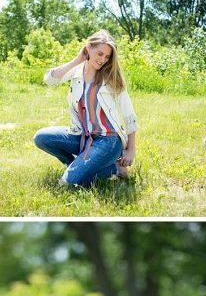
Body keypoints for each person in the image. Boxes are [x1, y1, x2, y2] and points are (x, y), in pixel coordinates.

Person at [33, 30, 138, 186]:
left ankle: (115, 168)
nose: (103, 60)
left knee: (68, 184)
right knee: (41, 137)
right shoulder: (77, 70)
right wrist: (77, 60)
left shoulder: (111, 77)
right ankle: (75, 165)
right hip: (82, 136)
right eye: (100, 54)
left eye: (107, 57)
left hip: (108, 141)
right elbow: (49, 79)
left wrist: (131, 149)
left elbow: (129, 114)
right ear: (88, 48)